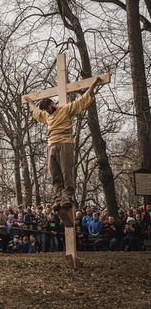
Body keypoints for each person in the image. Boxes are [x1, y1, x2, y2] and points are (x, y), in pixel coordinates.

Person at [24, 77, 101, 211]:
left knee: (66, 172)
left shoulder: (65, 109)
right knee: (55, 174)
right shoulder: (47, 116)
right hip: (51, 145)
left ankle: (67, 196)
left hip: (64, 143)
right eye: (46, 110)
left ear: (52, 103)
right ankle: (58, 197)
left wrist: (93, 85)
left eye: (48, 108)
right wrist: (30, 102)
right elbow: (36, 112)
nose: (48, 111)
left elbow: (81, 102)